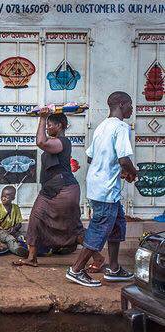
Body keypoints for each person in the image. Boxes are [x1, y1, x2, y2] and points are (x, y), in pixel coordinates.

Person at [13, 111, 104, 267]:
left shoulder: (63, 142)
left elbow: (41, 142)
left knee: (72, 228)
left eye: (50, 124)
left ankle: (98, 257)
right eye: (46, 124)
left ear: (59, 125)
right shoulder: (55, 141)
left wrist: (41, 118)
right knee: (35, 220)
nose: (47, 127)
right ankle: (32, 258)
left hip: (64, 191)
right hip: (49, 192)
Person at [66, 91, 138, 287]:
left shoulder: (101, 127)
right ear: (122, 104)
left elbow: (91, 157)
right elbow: (124, 159)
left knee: (116, 225)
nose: (132, 109)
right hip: (106, 190)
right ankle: (76, 270)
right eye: (130, 105)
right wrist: (133, 172)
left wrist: (117, 170)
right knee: (99, 230)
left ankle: (114, 269)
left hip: (99, 187)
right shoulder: (121, 127)